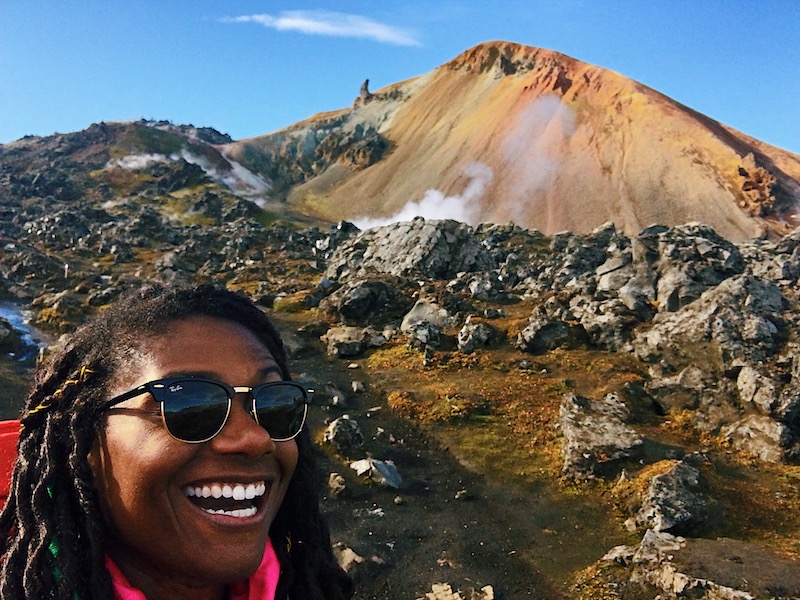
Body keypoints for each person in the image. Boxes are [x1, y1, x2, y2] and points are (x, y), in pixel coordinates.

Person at [0, 284, 354, 600]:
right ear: (87, 446)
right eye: (189, 405)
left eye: (275, 404)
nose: (254, 438)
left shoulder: (303, 583)